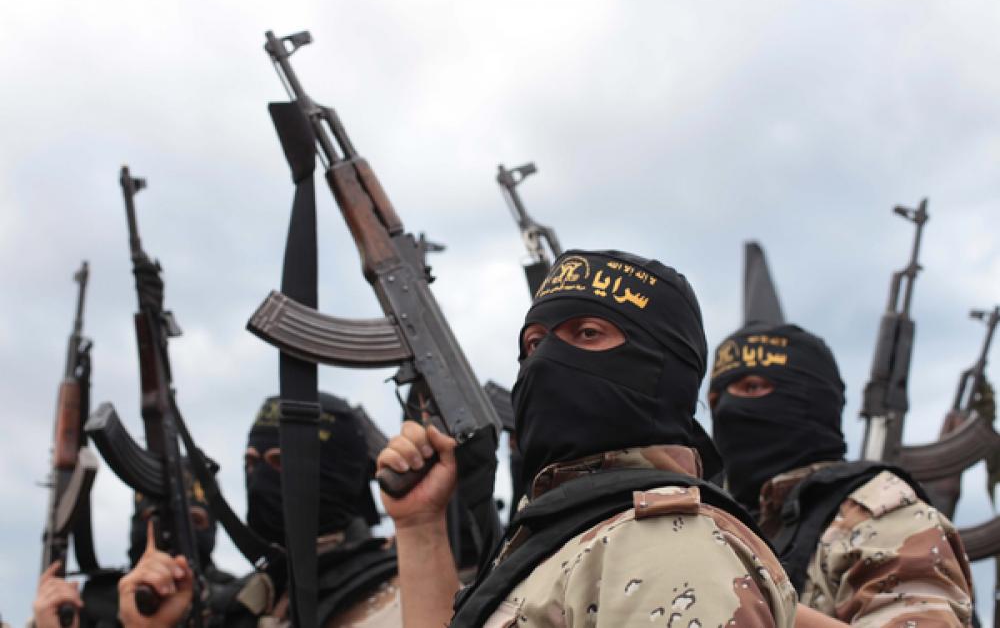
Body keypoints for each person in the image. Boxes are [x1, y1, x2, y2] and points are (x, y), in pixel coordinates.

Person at [379, 250, 798, 628]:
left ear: (658, 364)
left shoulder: (660, 546)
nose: (545, 360)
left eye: (587, 333)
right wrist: (420, 525)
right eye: (535, 343)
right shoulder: (564, 538)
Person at [709, 322, 975, 627]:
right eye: (715, 400)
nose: (727, 409)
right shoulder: (714, 520)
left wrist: (749, 602)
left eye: (752, 388)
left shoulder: (878, 514)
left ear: (809, 397)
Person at [118, 393, 400, 627]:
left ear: (338, 470)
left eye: (279, 461)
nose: (261, 477)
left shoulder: (393, 587)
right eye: (252, 463)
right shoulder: (241, 603)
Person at [30, 466, 224, 628]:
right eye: (155, 520)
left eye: (194, 520)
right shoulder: (90, 608)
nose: (172, 533)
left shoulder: (235, 605)